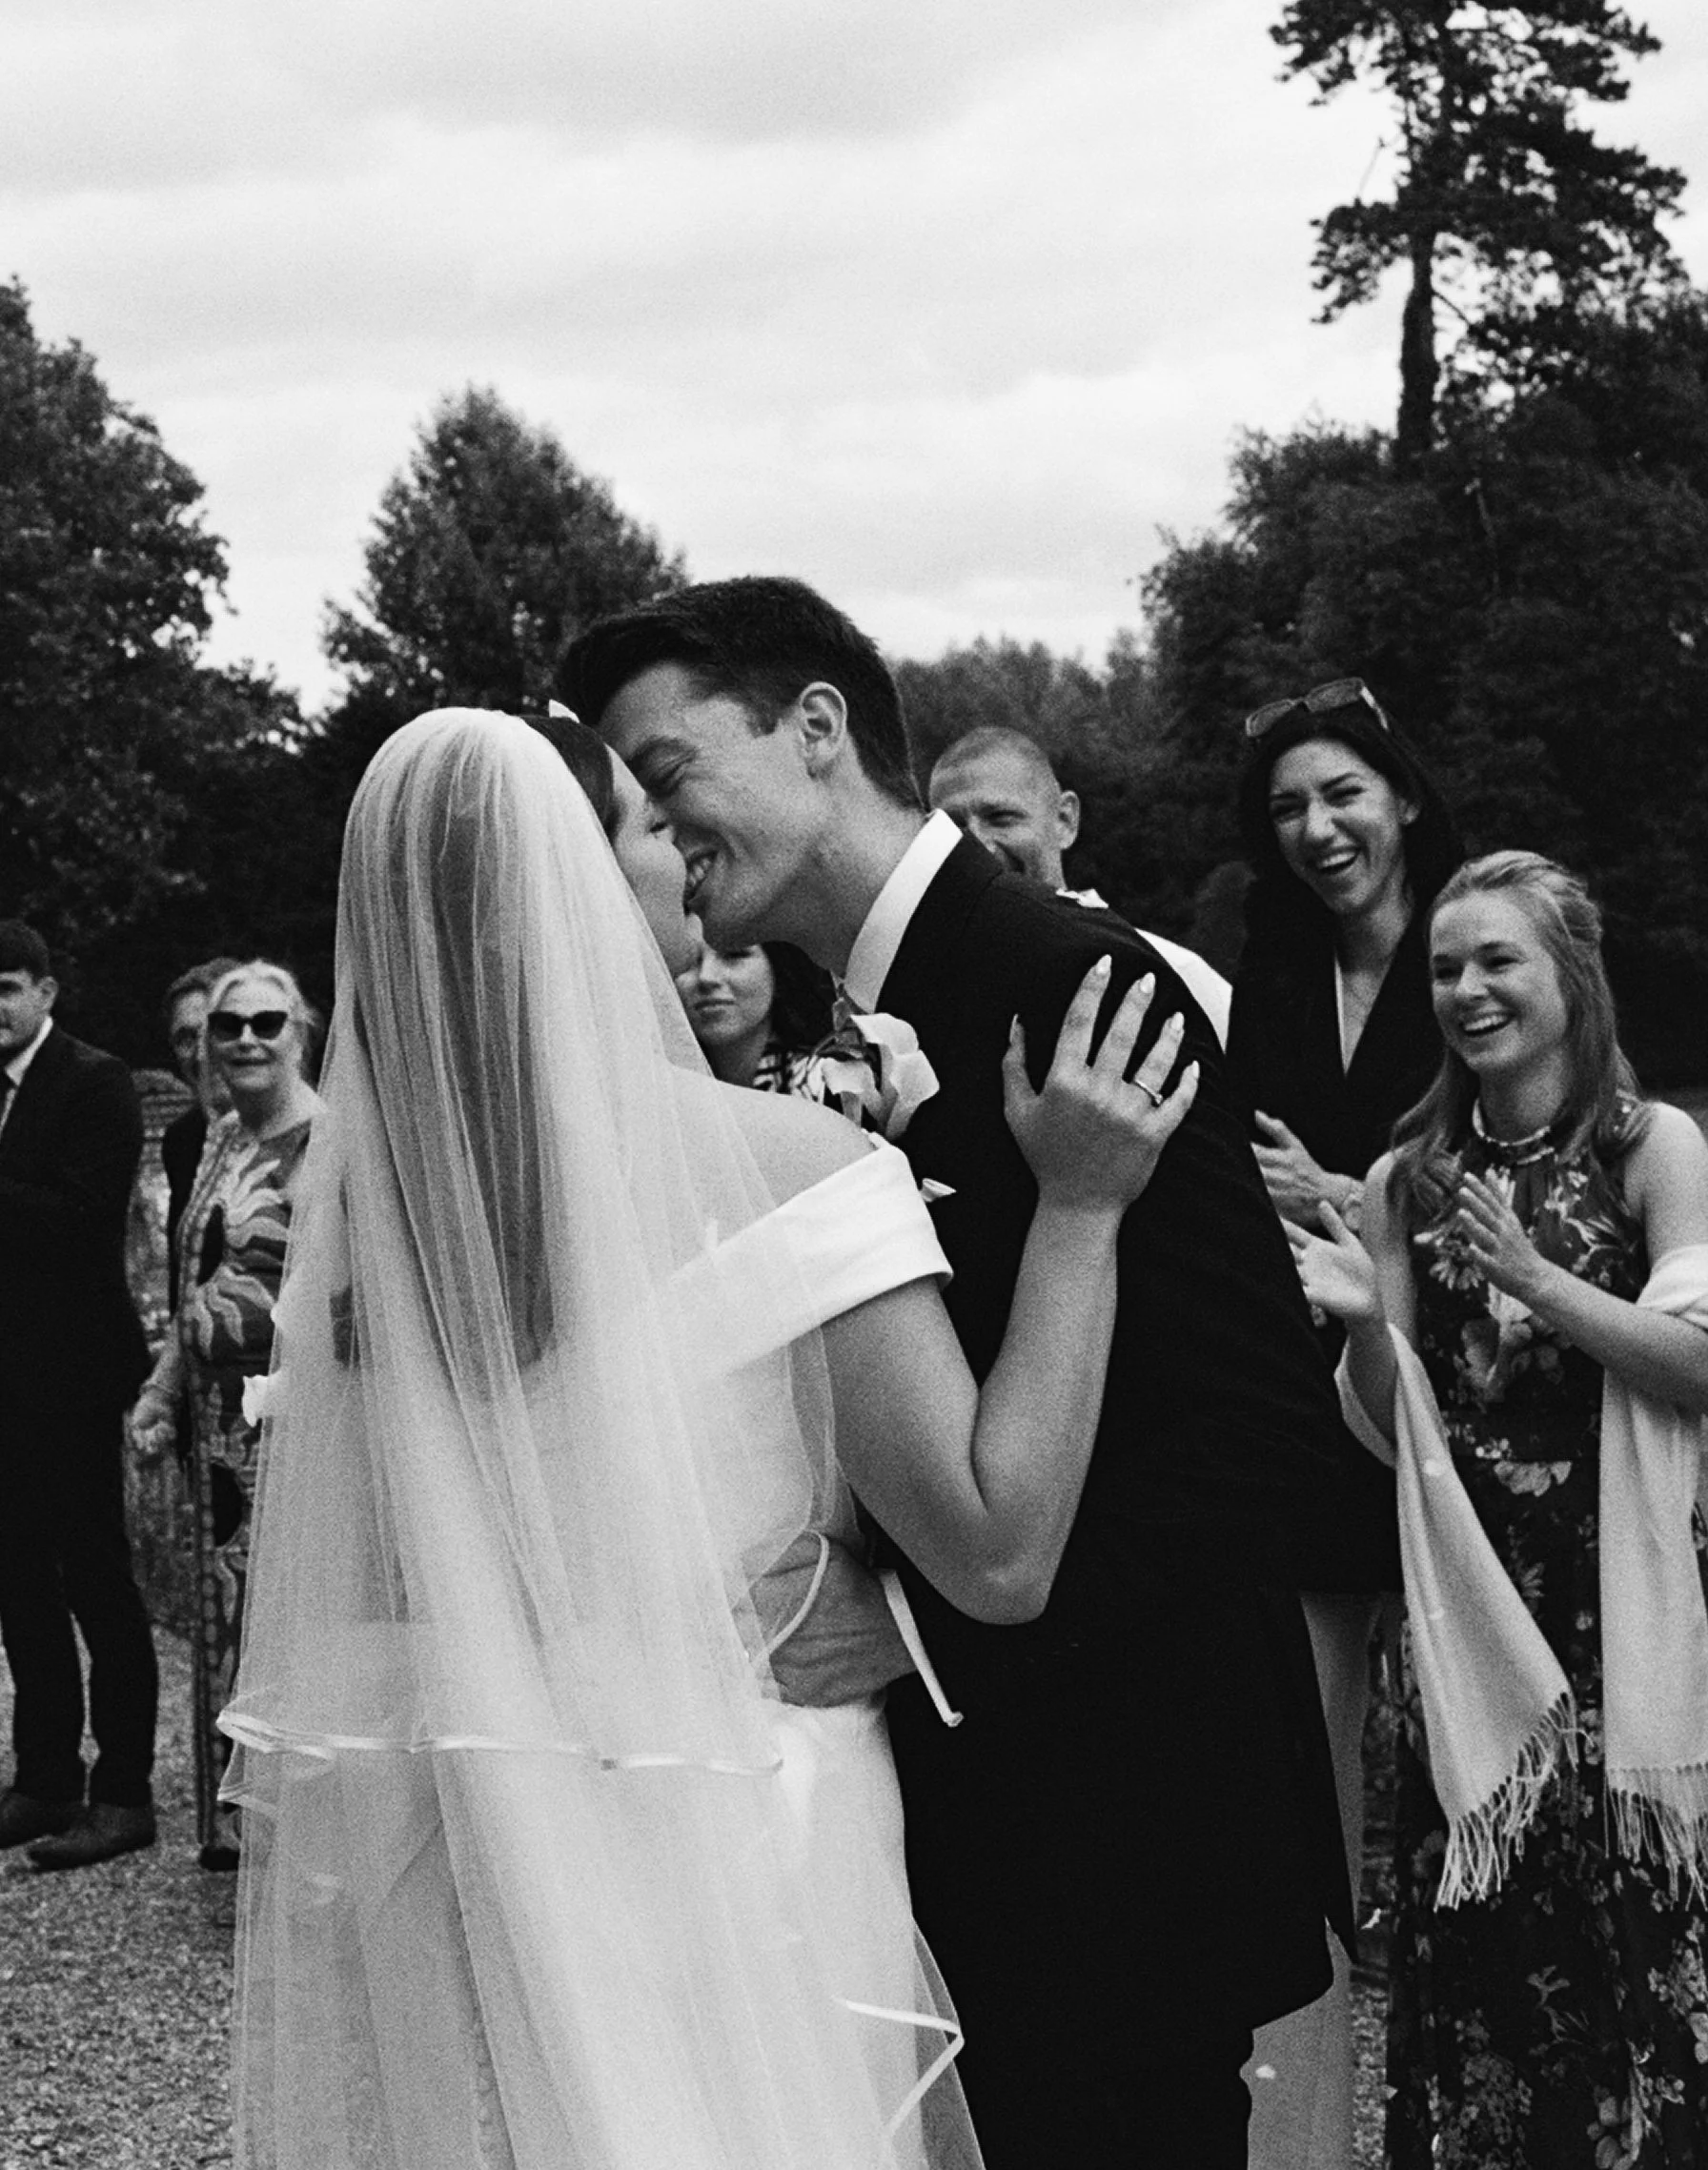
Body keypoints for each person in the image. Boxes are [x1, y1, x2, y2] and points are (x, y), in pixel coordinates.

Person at [217, 706, 1193, 2170]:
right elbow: (997, 1552)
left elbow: (373, 1613)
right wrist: (1083, 1211)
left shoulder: (371, 1245)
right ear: (572, 891)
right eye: (641, 827)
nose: (678, 859)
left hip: (502, 1854)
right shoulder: (793, 1164)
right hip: (753, 1842)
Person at [565, 576, 1400, 2169]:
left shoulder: (1069, 982)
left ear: (815, 732)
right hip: (988, 1821)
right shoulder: (862, 1010)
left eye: (668, 772)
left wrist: (915, 1616)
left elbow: (1248, 1437)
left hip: (1121, 1814)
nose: (663, 829)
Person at [1291, 850, 1708, 2167]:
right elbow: (1384, 1417)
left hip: (1619, 1600)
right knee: (1479, 1933)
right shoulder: (1403, 1175)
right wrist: (1363, 1324)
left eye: (1497, 959)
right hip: (1467, 1604)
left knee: (1625, 1930)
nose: (1466, 989)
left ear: (1571, 974)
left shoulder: (1653, 1148)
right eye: (1446, 967)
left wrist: (1534, 1276)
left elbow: (1698, 1366)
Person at [1226, 678, 1461, 2166]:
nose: (1319, 830)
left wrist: (1350, 1205)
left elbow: (1542, 1155)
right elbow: (1249, 1153)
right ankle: (1318, 2013)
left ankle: (1464, 1976)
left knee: (1456, 1713)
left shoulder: (1481, 945)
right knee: (1310, 1745)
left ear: (1404, 799)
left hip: (1452, 1389)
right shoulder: (1273, 966)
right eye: (1291, 809)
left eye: (1344, 795)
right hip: (1307, 1402)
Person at [132, 961, 323, 1867]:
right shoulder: (219, 1141)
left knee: (289, 1624)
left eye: (267, 1020)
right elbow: (192, 1283)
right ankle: (235, 1834)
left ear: (302, 1031)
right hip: (215, 1428)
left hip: (295, 1425)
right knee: (221, 1619)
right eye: (226, 1024)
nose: (246, 1037)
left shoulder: (328, 1143)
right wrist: (162, 1390)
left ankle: (298, 1840)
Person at [0, 921, 158, 1870]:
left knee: (97, 1579)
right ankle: (46, 1774)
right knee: (16, 1581)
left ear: (47, 992)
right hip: (2, 1378)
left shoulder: (94, 1082)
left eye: (7, 985)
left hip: (77, 1376)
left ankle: (124, 1790)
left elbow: (81, 1222)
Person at [926, 723, 1232, 1044]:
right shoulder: (919, 992)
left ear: (1064, 821)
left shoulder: (1173, 976)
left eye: (1001, 817)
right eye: (951, 825)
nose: (975, 843)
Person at [158, 957, 241, 1309]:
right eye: (186, 1038)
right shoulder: (182, 1139)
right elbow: (184, 1283)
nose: (203, 1053)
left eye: (216, 1030)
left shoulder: (312, 1132)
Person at [674, 937, 834, 1092]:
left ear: (777, 970)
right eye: (687, 961)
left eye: (734, 955)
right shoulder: (667, 1089)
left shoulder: (830, 1084)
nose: (705, 977)